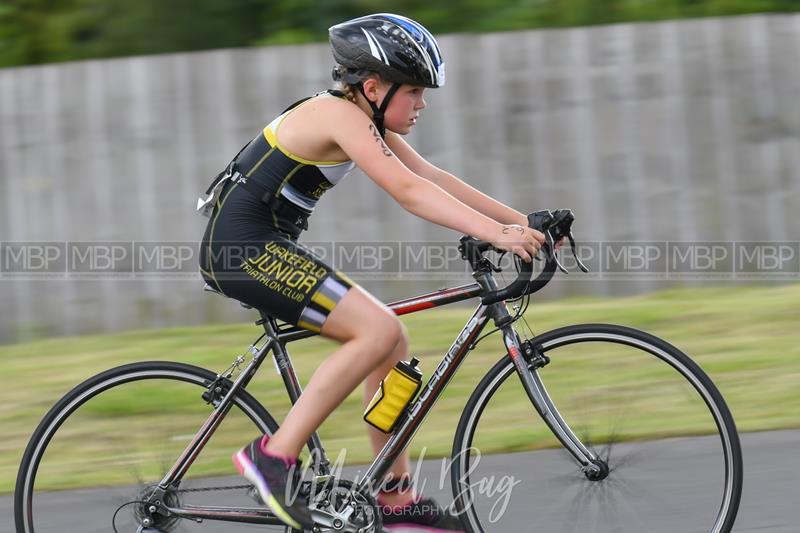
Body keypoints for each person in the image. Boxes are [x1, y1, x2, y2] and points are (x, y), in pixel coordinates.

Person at [199, 13, 544, 532]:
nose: (422, 104)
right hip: (242, 251)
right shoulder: (338, 115)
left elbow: (429, 176)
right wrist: (497, 235)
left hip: (262, 245)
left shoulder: (360, 115)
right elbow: (408, 193)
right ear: (374, 87)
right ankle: (273, 458)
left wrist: (524, 222)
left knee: (392, 341)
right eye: (415, 92)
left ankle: (396, 501)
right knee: (377, 330)